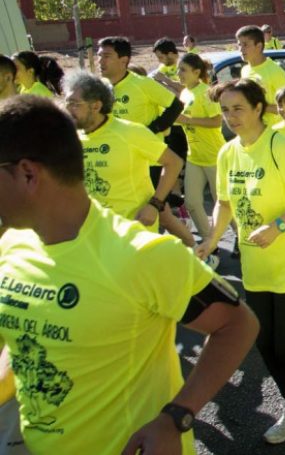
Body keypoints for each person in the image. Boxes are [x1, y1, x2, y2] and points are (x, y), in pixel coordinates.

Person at [0, 95, 258, 454]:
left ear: (28, 174)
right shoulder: (10, 245)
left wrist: (176, 416)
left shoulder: (141, 255)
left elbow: (238, 325)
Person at [194, 79, 285, 444]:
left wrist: (277, 225)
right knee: (264, 344)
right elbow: (225, 202)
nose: (231, 117)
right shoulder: (228, 152)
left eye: (238, 108)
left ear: (259, 108)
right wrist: (211, 239)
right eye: (225, 110)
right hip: (255, 267)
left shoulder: (278, 145)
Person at [62, 71, 184, 233]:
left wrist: (155, 205)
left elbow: (174, 163)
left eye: (75, 104)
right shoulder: (72, 138)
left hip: (134, 229)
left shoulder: (129, 132)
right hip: (95, 230)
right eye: (67, 103)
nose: (69, 109)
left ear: (96, 106)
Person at [176, 53, 226, 250]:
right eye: (179, 70)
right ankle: (209, 243)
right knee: (192, 203)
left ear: (197, 72)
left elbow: (217, 121)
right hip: (194, 157)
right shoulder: (185, 93)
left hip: (214, 156)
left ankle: (241, 239)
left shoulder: (206, 92)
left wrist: (188, 121)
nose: (179, 74)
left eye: (183, 70)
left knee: (224, 204)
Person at [237, 25, 285, 127]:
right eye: (239, 45)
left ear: (259, 46)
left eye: (245, 45)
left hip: (274, 133)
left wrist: (258, 106)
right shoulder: (245, 70)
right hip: (254, 131)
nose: (241, 49)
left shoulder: (275, 71)